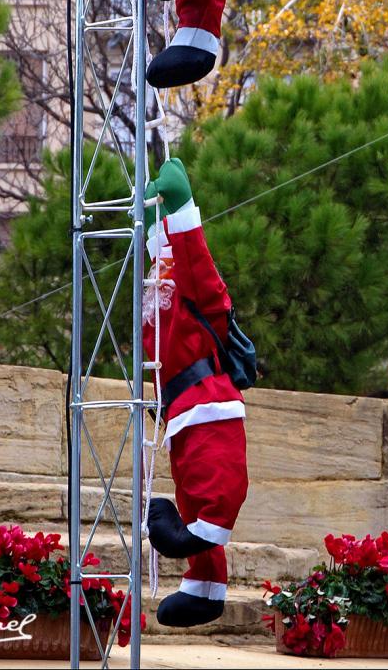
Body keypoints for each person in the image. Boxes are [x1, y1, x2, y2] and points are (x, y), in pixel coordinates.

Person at [142, 158, 248, 627]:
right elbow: (164, 257)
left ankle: (195, 544)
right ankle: (203, 587)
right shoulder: (159, 281)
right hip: (179, 409)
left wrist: (182, 208)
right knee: (188, 494)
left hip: (208, 403)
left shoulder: (194, 284)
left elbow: (195, 260)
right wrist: (153, 225)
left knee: (212, 487)